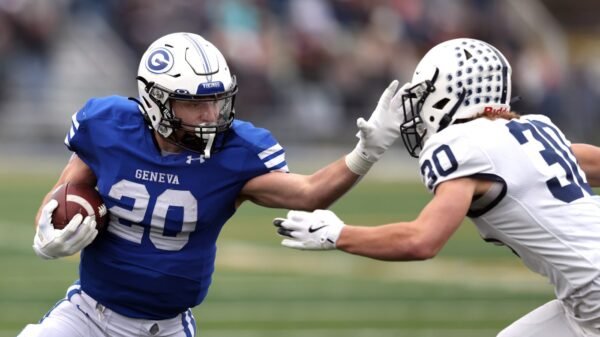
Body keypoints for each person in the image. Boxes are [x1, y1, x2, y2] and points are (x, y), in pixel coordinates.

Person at [18, 32, 407, 337]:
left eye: (217, 100)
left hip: (166, 328)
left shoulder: (235, 152)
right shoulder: (107, 127)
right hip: (88, 315)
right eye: (195, 103)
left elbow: (309, 193)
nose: (211, 114)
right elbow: (60, 197)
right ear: (155, 100)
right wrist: (46, 236)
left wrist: (364, 154)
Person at [273, 37, 600, 337]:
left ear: (450, 93)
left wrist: (338, 235)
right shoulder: (535, 128)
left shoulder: (459, 145)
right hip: (584, 297)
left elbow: (421, 241)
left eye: (426, 93)